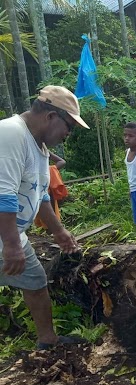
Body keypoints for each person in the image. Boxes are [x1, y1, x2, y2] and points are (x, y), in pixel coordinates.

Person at [0, 85, 89, 349]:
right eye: (68, 127)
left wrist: (59, 231)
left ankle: (48, 340)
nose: (67, 135)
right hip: (8, 235)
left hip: (13, 234)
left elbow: (40, 195)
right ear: (51, 116)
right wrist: (12, 245)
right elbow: (3, 195)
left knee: (35, 281)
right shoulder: (10, 133)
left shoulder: (38, 146)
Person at [34, 152, 68, 229]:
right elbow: (62, 162)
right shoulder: (48, 170)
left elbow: (62, 162)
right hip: (42, 197)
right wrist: (47, 152)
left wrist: (45, 152)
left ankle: (52, 230)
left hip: (46, 196)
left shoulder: (48, 170)